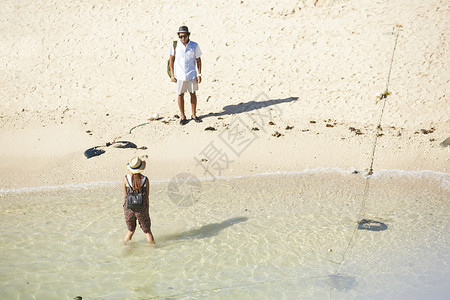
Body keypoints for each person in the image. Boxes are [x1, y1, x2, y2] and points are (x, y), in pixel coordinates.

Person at [169, 25, 203, 125]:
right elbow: (171, 59)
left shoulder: (194, 45)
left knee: (193, 93)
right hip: (179, 75)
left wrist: (199, 74)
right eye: (180, 36)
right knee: (180, 94)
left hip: (191, 74)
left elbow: (198, 60)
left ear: (188, 35)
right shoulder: (175, 45)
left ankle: (194, 114)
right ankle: (183, 116)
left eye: (184, 36)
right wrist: (172, 74)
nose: (182, 38)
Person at [123, 156, 155, 244]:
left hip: (129, 208)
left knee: (130, 230)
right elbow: (147, 196)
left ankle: (124, 247)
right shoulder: (145, 180)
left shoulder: (125, 179)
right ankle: (153, 251)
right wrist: (146, 208)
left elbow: (125, 195)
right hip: (141, 208)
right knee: (147, 232)